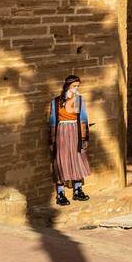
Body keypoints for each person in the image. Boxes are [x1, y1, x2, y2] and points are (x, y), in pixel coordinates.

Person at [48, 74, 91, 207]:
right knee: (62, 160)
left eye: (78, 86)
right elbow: (53, 121)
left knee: (77, 159)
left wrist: (85, 137)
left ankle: (78, 190)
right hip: (62, 132)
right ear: (67, 86)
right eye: (74, 86)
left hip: (75, 131)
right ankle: (60, 193)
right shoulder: (56, 101)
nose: (76, 88)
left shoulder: (79, 100)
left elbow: (83, 119)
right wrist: (52, 139)